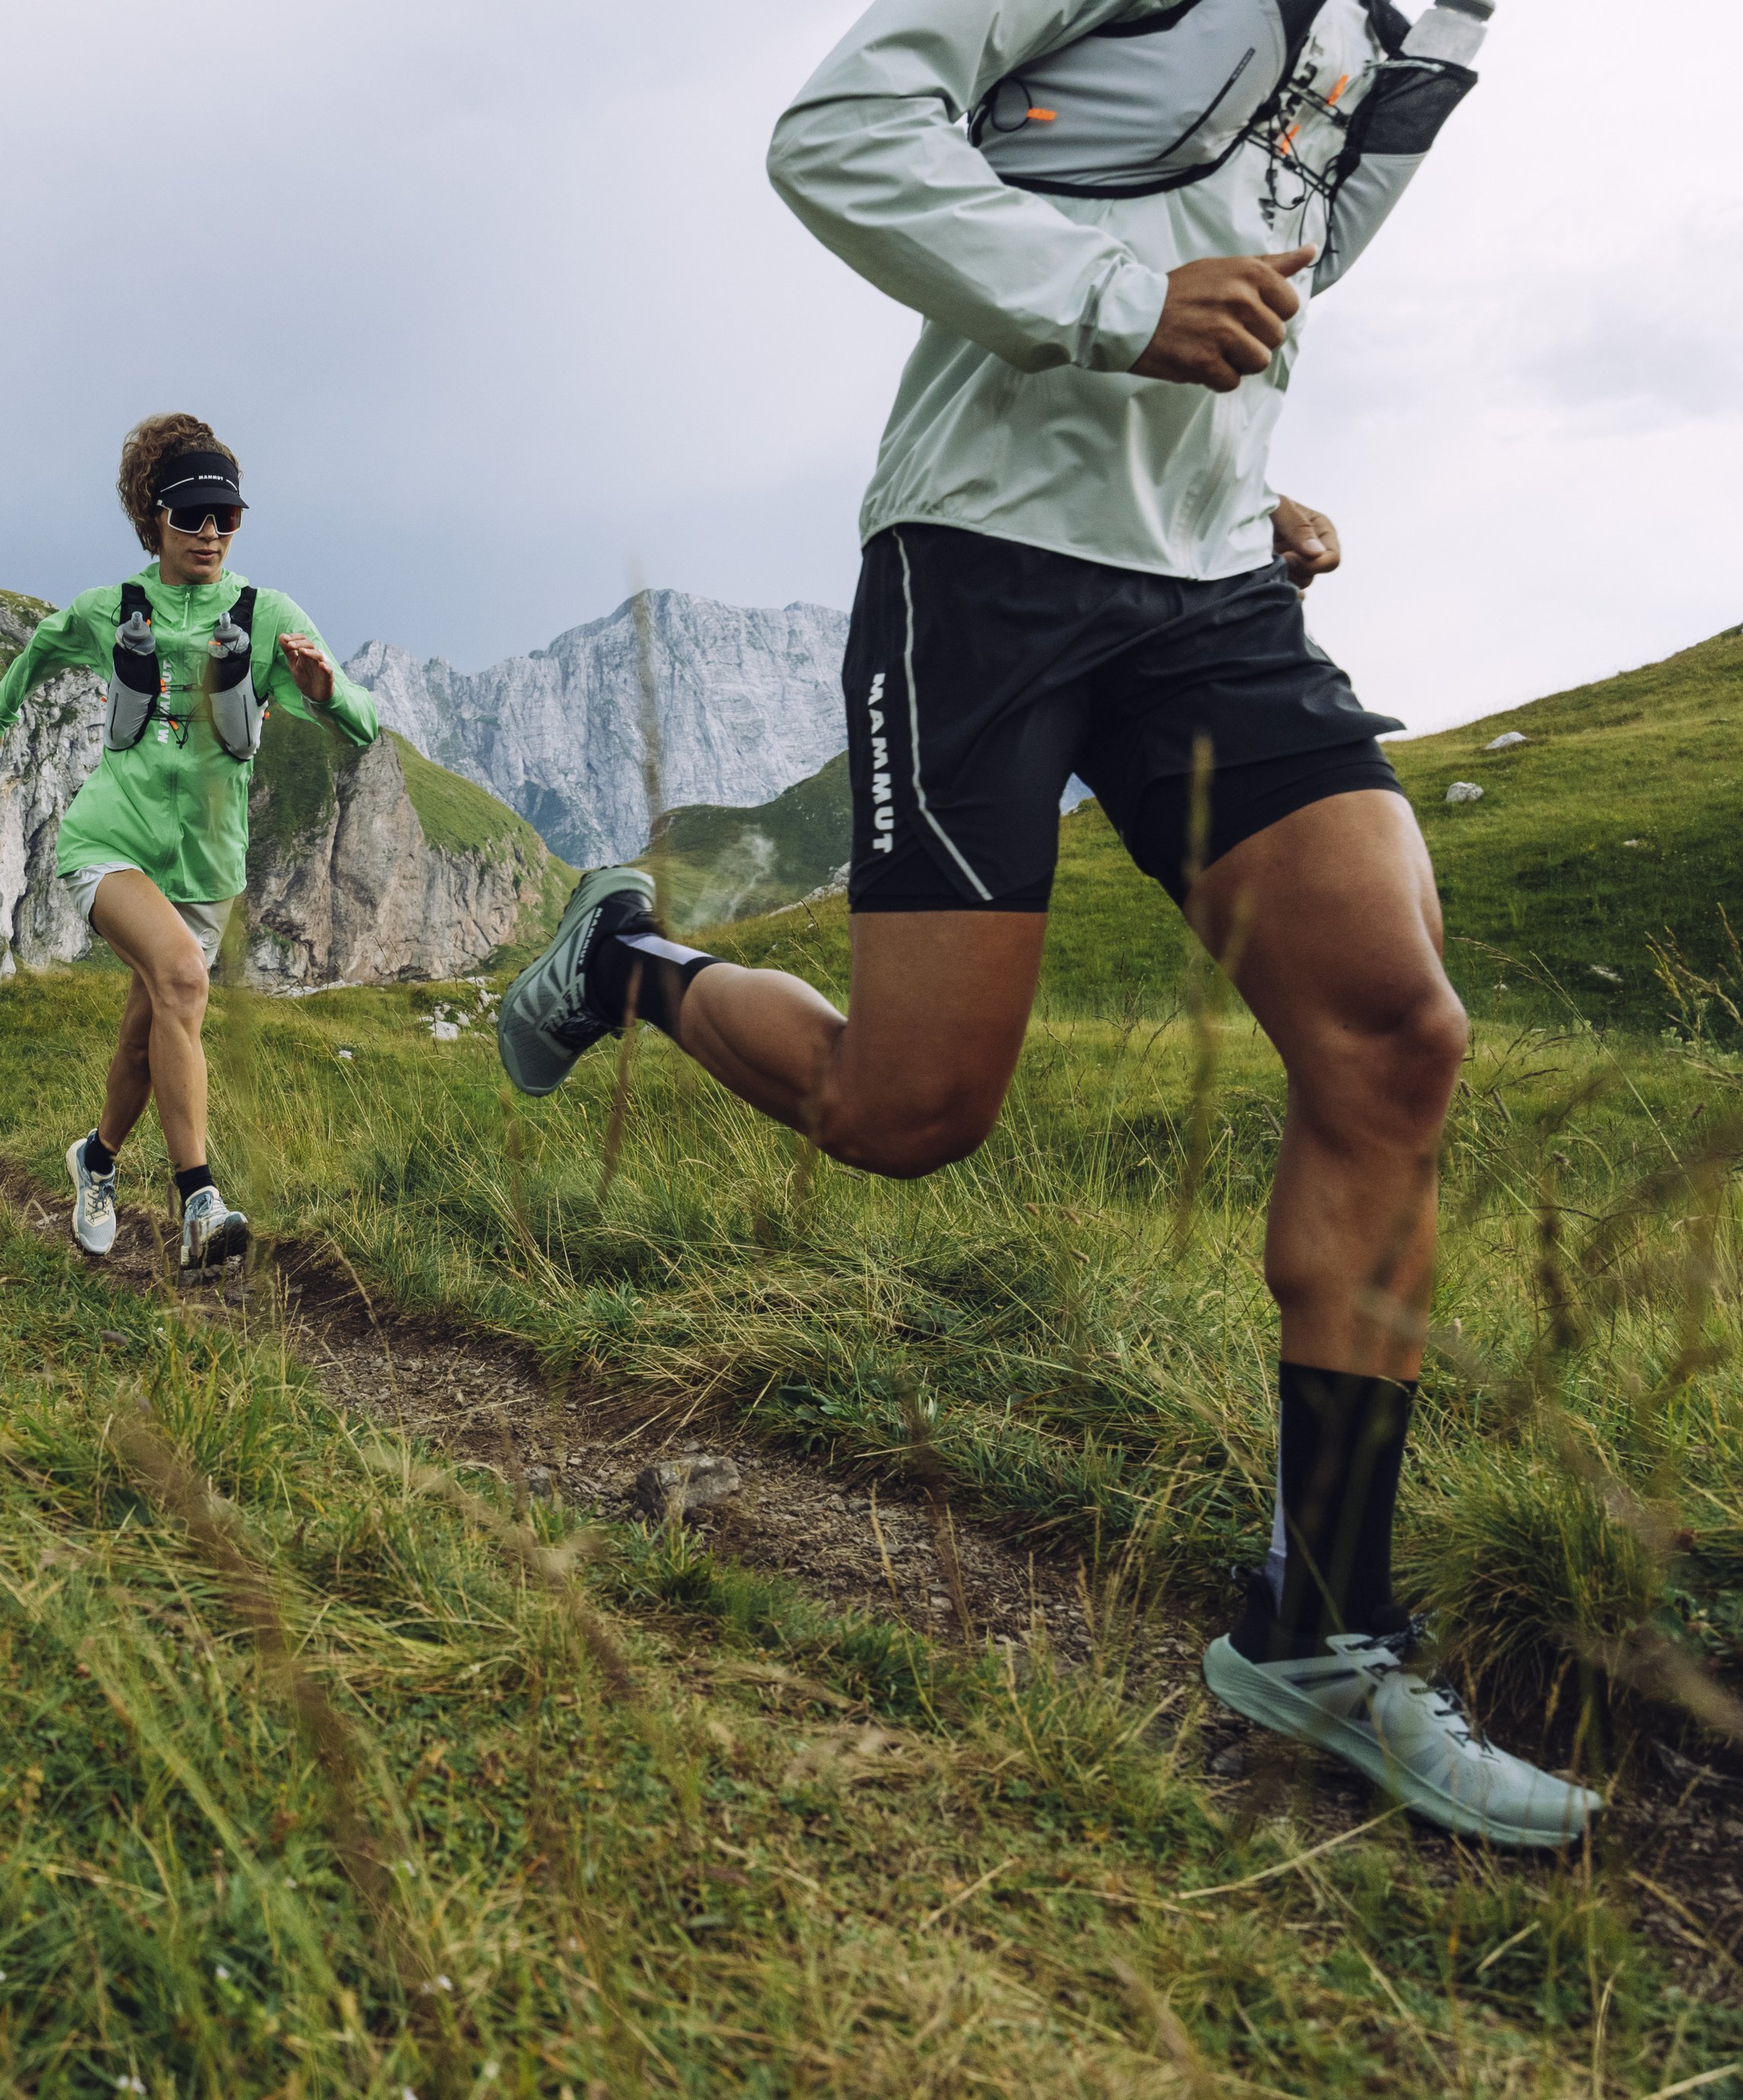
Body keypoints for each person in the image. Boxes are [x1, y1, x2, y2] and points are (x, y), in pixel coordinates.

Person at [500, 0, 1598, 1846]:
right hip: (982, 572)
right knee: (907, 1112)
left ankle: (1316, 1635)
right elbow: (836, 132)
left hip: (1209, 594)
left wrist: (1239, 479)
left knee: (1393, 1038)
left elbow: (1245, 273)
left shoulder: (1422, 39)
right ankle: (625, 961)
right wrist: (1115, 305)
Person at [0, 414, 381, 1269]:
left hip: (207, 872)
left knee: (146, 1041)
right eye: (193, 516)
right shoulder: (116, 609)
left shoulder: (268, 616)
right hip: (108, 844)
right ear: (155, 518)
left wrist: (325, 690)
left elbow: (365, 727)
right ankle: (200, 1201)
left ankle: (97, 1160)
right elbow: (42, 643)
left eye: (227, 516)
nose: (212, 533)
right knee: (184, 978)